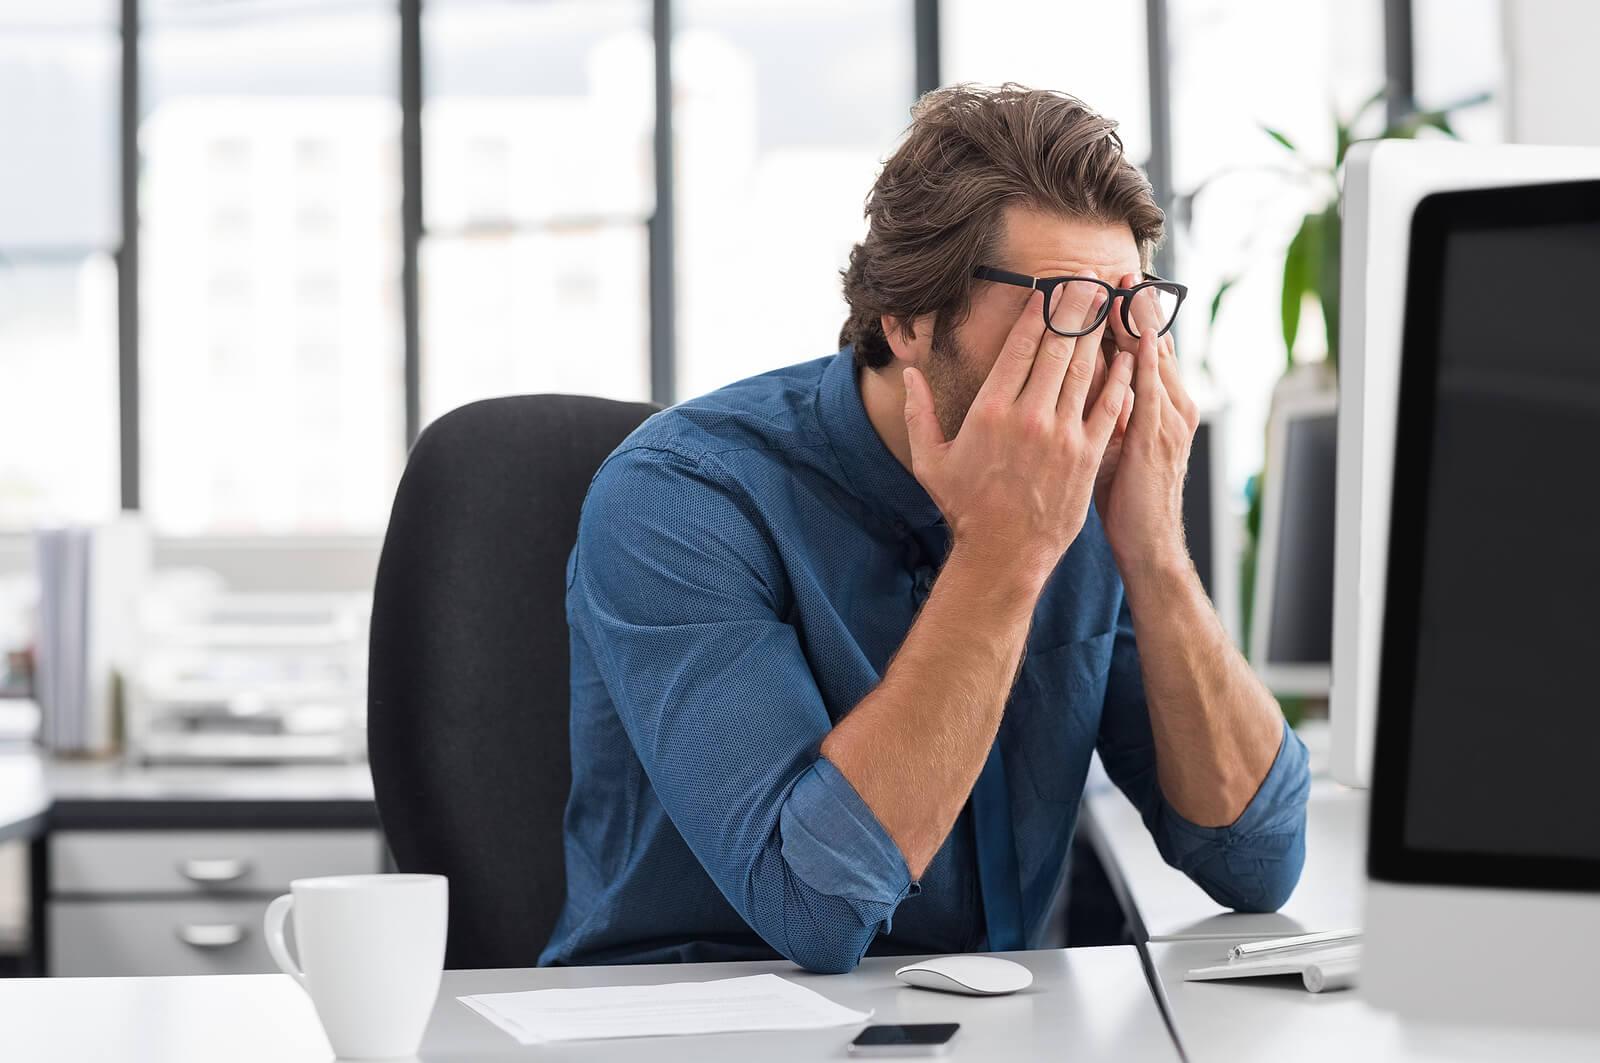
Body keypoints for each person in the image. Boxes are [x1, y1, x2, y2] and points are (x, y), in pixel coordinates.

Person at [541, 84, 1309, 973]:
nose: (1101, 363)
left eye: (1127, 312)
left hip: (997, 1021)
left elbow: (1257, 860)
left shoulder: (1094, 490)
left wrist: (1154, 552)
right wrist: (1004, 553)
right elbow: (815, 911)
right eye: (1064, 307)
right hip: (699, 1020)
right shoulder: (680, 497)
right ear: (908, 318)